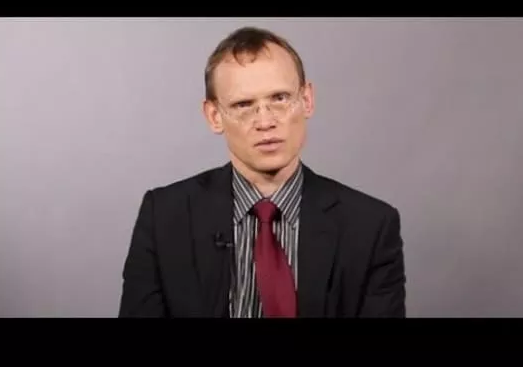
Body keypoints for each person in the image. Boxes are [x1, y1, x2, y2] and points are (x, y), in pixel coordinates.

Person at [118, 26, 406, 318]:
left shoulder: (371, 227)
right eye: (243, 104)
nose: (265, 122)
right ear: (214, 116)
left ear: (307, 100)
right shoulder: (164, 217)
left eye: (280, 98)